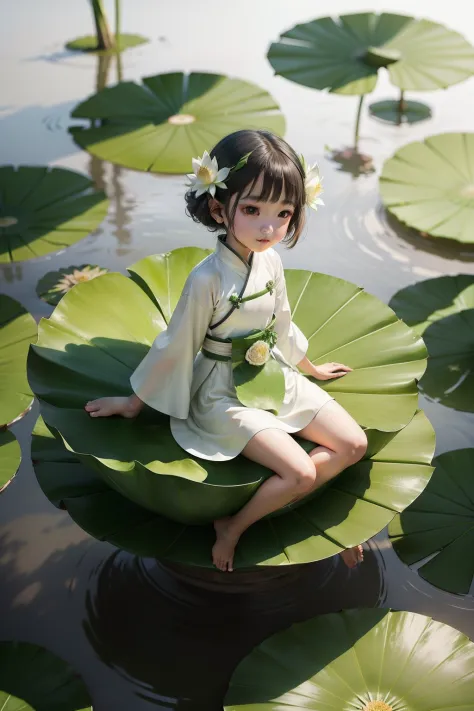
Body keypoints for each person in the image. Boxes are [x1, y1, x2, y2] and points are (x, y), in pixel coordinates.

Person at [84, 129, 367, 573]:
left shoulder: (271, 260)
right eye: (252, 209)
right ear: (219, 206)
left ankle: (280, 500)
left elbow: (283, 320)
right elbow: (176, 343)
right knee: (302, 473)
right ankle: (233, 527)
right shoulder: (206, 279)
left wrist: (307, 365)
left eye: (283, 213)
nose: (268, 227)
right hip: (221, 392)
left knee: (354, 443)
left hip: (271, 372)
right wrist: (135, 403)